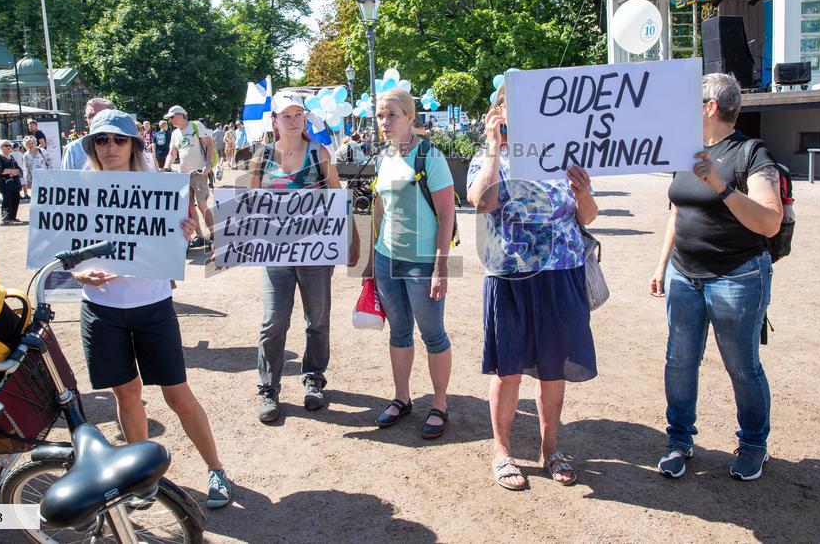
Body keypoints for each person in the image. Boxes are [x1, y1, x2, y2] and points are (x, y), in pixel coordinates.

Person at [72, 109, 232, 509]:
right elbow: (66, 253)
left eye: (119, 139)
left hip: (152, 307)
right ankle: (139, 477)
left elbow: (175, 243)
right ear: (92, 145)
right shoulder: (76, 189)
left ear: (134, 145)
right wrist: (80, 274)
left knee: (177, 395)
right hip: (100, 310)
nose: (110, 147)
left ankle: (216, 469)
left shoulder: (161, 187)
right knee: (126, 394)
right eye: (101, 140)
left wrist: (185, 235)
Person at [649, 72, 782, 482]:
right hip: (684, 276)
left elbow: (770, 221)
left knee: (742, 366)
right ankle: (679, 441)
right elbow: (677, 211)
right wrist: (662, 264)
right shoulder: (684, 150)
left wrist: (720, 185)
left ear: (710, 107)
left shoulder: (751, 153)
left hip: (737, 277)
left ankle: (753, 445)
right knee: (680, 362)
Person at [466, 83, 598, 490]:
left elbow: (587, 217)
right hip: (511, 276)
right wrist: (493, 147)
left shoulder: (562, 156)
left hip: (562, 274)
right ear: (498, 112)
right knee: (508, 370)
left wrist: (584, 191)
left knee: (552, 369)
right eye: (511, 107)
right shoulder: (489, 159)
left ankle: (550, 449)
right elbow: (482, 201)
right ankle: (502, 451)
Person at [249, 94, 360, 422]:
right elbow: (247, 205)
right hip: (277, 254)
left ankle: (313, 379)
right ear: (274, 121)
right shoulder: (262, 157)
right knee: (274, 321)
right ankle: (268, 387)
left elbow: (339, 198)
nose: (294, 120)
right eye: (287, 115)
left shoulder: (319, 153)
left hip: (315, 253)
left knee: (317, 318)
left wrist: (351, 239)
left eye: (299, 114)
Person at [361, 89, 455, 440]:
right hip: (388, 259)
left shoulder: (430, 156)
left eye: (392, 115)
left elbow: (447, 215)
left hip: (422, 262)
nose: (384, 122)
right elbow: (379, 210)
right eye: (381, 115)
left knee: (433, 334)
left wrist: (440, 268)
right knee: (399, 332)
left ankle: (440, 404)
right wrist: (371, 264)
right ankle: (402, 398)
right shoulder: (383, 156)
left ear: (410, 117)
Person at [161, 105, 215, 247]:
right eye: (169, 118)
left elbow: (209, 144)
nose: (171, 120)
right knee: (190, 207)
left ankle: (215, 234)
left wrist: (208, 164)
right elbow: (172, 153)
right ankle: (200, 237)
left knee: (202, 204)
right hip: (184, 175)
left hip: (199, 172)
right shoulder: (174, 134)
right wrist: (166, 167)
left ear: (182, 115)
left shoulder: (196, 125)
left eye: (173, 117)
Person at [61, 98, 115, 171]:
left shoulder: (126, 145)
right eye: (90, 116)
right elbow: (66, 180)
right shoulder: (74, 149)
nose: (94, 120)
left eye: (100, 116)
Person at [0, 139, 22, 225]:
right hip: (4, 182)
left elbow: (19, 169)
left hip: (14, 182)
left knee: (16, 198)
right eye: (6, 145)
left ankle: (12, 217)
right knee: (7, 198)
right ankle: (5, 218)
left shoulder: (11, 157)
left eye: (9, 145)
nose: (8, 147)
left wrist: (16, 171)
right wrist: (11, 171)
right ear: (1, 147)